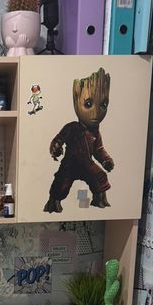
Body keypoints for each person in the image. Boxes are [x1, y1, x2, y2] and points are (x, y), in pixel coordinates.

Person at [44, 67, 114, 213]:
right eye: (88, 104)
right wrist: (56, 148)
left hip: (87, 163)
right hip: (70, 164)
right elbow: (58, 140)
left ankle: (99, 200)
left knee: (100, 176)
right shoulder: (72, 127)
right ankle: (53, 202)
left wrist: (106, 160)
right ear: (77, 102)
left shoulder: (95, 132)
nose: (96, 112)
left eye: (103, 105)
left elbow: (99, 149)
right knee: (61, 182)